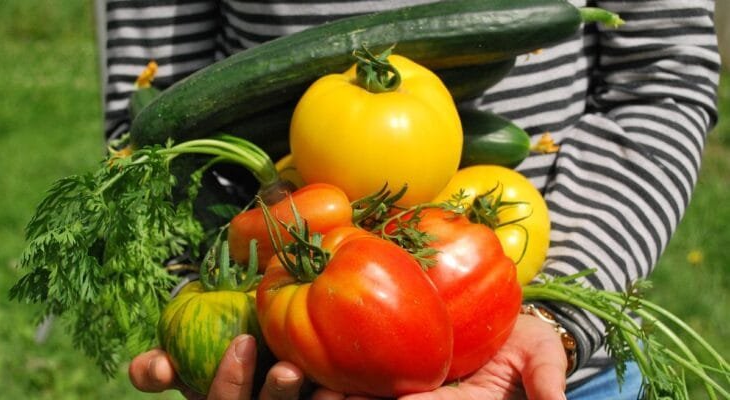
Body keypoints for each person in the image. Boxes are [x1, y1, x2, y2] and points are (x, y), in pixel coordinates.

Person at [96, 0, 721, 399]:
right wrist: (200, 298)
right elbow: (155, 125)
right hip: (288, 359)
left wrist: (561, 316)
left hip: (554, 372)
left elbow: (662, 80)